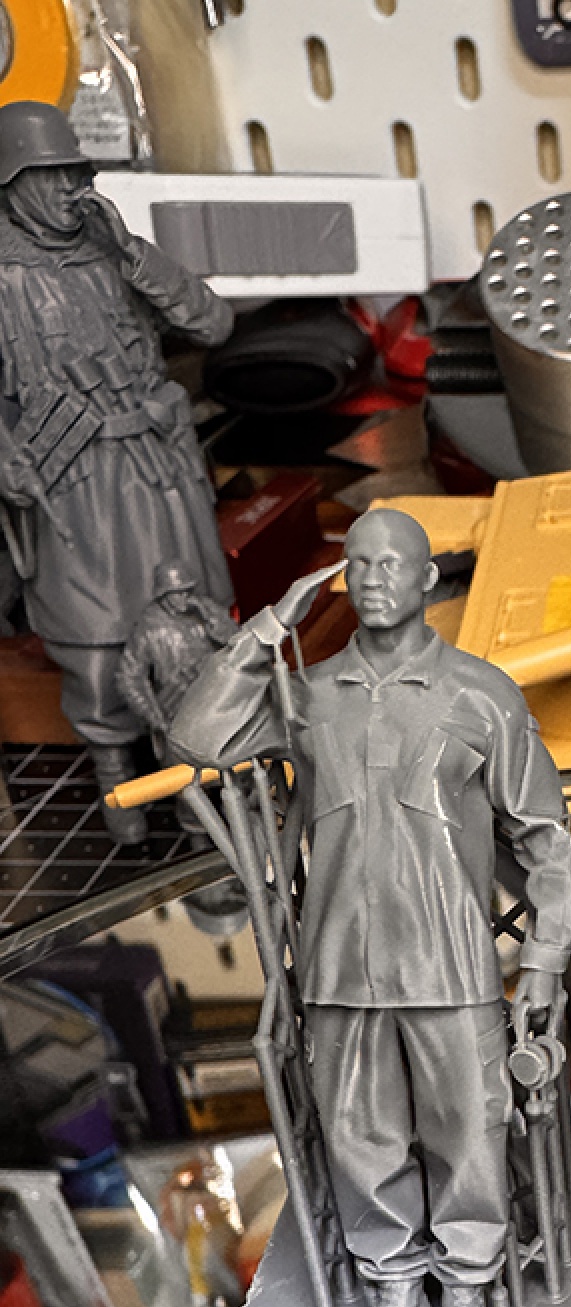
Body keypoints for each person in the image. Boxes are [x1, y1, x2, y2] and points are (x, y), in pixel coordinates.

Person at [169, 508, 571, 1307]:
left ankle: (464, 1294)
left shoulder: (481, 694)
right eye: (358, 564)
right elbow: (196, 738)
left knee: (469, 1135)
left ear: (429, 579)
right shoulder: (308, 695)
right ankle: (398, 1298)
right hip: (339, 969)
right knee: (360, 1137)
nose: (375, 578)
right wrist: (265, 631)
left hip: (453, 968)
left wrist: (544, 963)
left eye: (393, 564)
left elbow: (546, 837)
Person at [0, 101, 234, 838]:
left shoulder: (115, 248)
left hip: (157, 465)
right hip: (72, 477)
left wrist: (134, 252)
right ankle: (114, 772)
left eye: (78, 170)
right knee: (95, 634)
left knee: (188, 623)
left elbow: (212, 321)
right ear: (12, 182)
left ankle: (196, 771)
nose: (73, 188)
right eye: (52, 174)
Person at [116, 560, 235, 751]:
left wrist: (210, 618)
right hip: (177, 713)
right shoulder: (148, 627)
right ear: (164, 594)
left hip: (218, 704)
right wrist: (156, 718)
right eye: (178, 593)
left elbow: (238, 643)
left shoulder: (205, 610)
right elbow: (129, 678)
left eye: (188, 591)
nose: (185, 597)